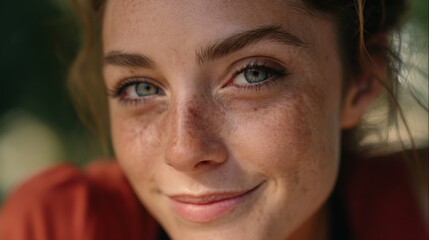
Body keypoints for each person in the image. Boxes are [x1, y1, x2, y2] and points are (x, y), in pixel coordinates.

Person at [0, 0, 427, 239]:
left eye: (252, 74)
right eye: (141, 88)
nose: (183, 151)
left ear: (363, 82)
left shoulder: (412, 211)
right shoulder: (61, 227)